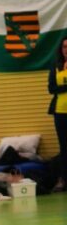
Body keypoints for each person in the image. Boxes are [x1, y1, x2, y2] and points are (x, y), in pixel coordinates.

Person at [48, 36, 67, 191]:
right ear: (61, 50)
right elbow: (52, 88)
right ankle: (64, 179)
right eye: (65, 47)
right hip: (60, 112)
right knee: (64, 147)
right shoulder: (56, 66)